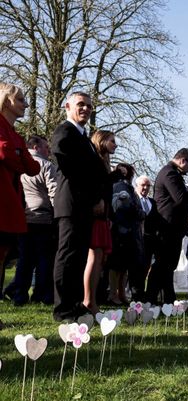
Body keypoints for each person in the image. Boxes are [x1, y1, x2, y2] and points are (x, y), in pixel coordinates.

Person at [52, 91, 106, 321]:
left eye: (89, 107)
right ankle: (62, 308)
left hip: (83, 206)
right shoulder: (65, 131)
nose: (85, 109)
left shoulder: (83, 136)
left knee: (78, 258)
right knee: (68, 256)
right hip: (72, 204)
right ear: (67, 106)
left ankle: (74, 304)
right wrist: (92, 196)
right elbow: (67, 164)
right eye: (80, 105)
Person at [0, 83, 40, 328]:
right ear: (7, 101)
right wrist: (17, 154)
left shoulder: (15, 134)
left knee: (2, 256)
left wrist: (17, 152)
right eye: (21, 100)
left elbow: (32, 167)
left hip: (9, 199)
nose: (26, 104)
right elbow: (6, 153)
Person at [3, 134, 56, 306]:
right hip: (43, 217)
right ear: (35, 147)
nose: (48, 151)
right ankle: (40, 294)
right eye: (46, 147)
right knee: (44, 259)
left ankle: (19, 295)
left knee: (24, 260)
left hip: (23, 217)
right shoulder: (46, 166)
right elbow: (53, 191)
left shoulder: (18, 166)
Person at [146, 148, 188, 304]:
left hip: (173, 227)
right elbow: (181, 198)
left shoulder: (173, 173)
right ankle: (151, 298)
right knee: (162, 264)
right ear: (182, 160)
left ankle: (166, 298)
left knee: (168, 265)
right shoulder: (169, 173)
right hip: (166, 226)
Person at [82, 130, 116, 313]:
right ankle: (88, 300)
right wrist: (97, 201)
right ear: (101, 141)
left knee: (100, 258)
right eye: (112, 141)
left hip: (104, 216)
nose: (115, 145)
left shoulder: (105, 162)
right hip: (95, 215)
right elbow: (95, 185)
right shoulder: (94, 161)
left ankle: (93, 299)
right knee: (93, 258)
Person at [108, 162, 144, 305]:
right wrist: (141, 213)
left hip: (122, 231)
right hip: (122, 232)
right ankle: (114, 294)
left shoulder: (119, 186)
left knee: (122, 267)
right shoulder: (123, 187)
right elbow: (128, 208)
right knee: (116, 266)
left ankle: (120, 293)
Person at [130, 175, 160, 300]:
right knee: (135, 268)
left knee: (145, 267)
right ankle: (135, 295)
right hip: (135, 240)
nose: (146, 188)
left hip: (149, 241)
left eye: (148, 185)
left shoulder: (152, 202)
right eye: (143, 185)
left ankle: (143, 294)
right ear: (136, 186)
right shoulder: (132, 200)